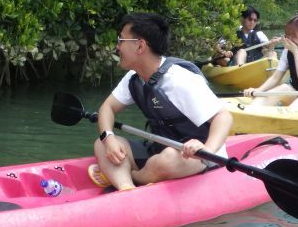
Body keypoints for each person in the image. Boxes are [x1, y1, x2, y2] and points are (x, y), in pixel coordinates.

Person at [90, 12, 233, 191]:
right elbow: (107, 108)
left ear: (140, 46)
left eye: (121, 41)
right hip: (160, 149)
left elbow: (223, 116)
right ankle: (126, 187)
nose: (118, 47)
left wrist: (208, 149)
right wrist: (108, 138)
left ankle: (133, 175)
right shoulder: (133, 78)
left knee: (167, 160)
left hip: (197, 157)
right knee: (101, 143)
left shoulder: (179, 80)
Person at [214, 6, 279, 66]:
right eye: (250, 19)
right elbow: (217, 46)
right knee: (242, 52)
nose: (252, 22)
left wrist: (272, 43)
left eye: (255, 20)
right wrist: (225, 52)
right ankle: (240, 70)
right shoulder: (232, 33)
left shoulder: (259, 34)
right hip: (235, 65)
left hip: (255, 64)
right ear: (242, 19)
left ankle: (273, 73)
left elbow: (268, 48)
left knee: (273, 53)